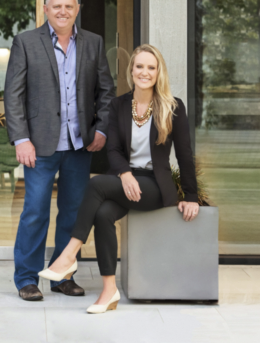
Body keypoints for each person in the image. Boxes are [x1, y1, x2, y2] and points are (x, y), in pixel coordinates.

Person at [39, 44, 200, 314]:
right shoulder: (118, 105)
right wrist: (125, 174)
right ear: (131, 70)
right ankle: (109, 290)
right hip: (126, 180)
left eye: (151, 67)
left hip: (154, 185)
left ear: (158, 72)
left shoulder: (173, 107)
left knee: (95, 184)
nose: (145, 72)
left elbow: (184, 155)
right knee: (103, 215)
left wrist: (191, 196)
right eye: (140, 66)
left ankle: (68, 254)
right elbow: (113, 149)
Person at [4, 0, 115, 301]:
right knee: (35, 211)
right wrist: (21, 139)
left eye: (68, 6)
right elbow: (13, 95)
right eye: (56, 6)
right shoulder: (26, 42)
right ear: (45, 9)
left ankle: (62, 275)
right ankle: (27, 278)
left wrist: (101, 130)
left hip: (80, 146)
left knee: (73, 213)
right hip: (38, 146)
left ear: (77, 9)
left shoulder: (93, 43)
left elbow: (105, 92)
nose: (63, 11)